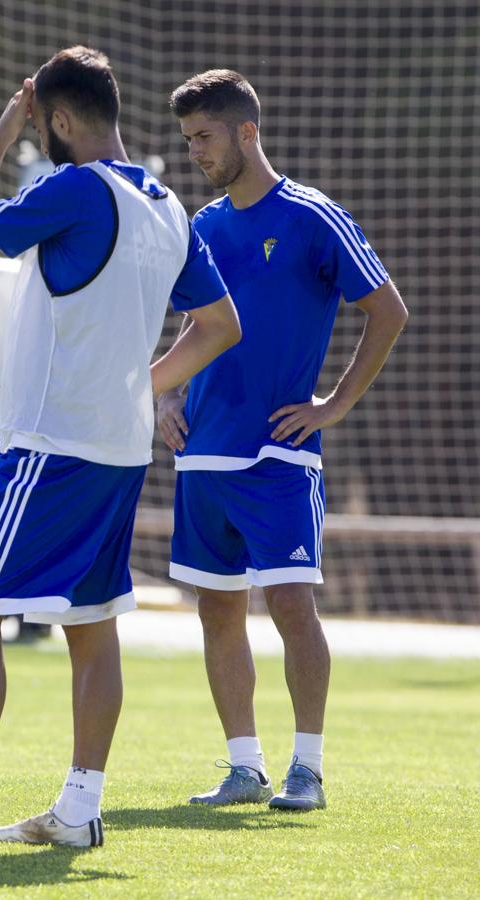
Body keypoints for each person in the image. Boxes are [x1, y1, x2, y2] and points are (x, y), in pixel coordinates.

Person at [0, 46, 241, 849]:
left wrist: (3, 134)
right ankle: (78, 810)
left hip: (48, 444)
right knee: (90, 622)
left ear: (61, 121)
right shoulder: (166, 205)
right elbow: (219, 326)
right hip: (116, 446)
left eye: (44, 125)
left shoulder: (70, 186)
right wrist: (139, 383)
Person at [164, 70, 408, 811]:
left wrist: (333, 404)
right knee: (215, 610)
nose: (194, 153)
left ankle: (307, 770)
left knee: (292, 606)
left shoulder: (313, 216)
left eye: (203, 137)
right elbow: (196, 324)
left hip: (276, 452)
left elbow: (387, 310)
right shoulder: (201, 226)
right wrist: (167, 397)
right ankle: (244, 767)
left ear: (246, 131)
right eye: (186, 141)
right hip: (201, 450)